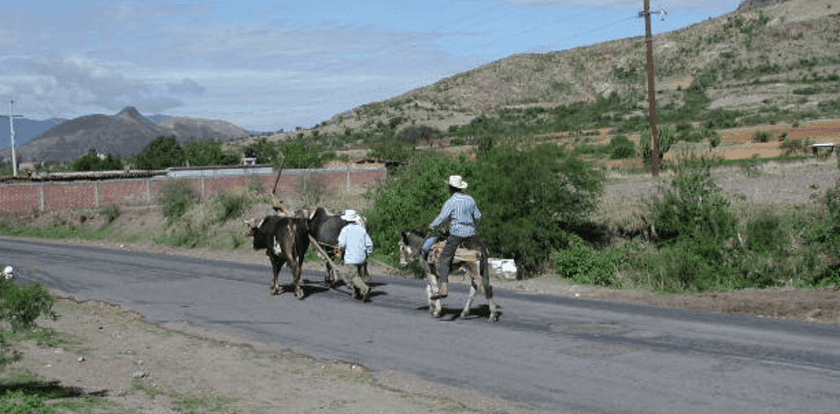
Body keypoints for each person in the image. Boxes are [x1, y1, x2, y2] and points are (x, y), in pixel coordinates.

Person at [429, 175, 481, 298]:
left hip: (457, 234)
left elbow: (442, 218)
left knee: (445, 257)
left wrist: (433, 225)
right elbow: (478, 216)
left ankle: (443, 286)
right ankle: (475, 274)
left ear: (450, 188)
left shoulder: (451, 202)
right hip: (471, 234)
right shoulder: (470, 200)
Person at [337, 210, 374, 301]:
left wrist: (340, 250)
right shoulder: (362, 229)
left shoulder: (345, 230)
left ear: (346, 220)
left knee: (354, 276)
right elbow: (369, 244)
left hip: (351, 258)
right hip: (362, 257)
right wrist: (368, 253)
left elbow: (341, 244)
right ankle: (357, 293)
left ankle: (365, 288)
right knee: (361, 275)